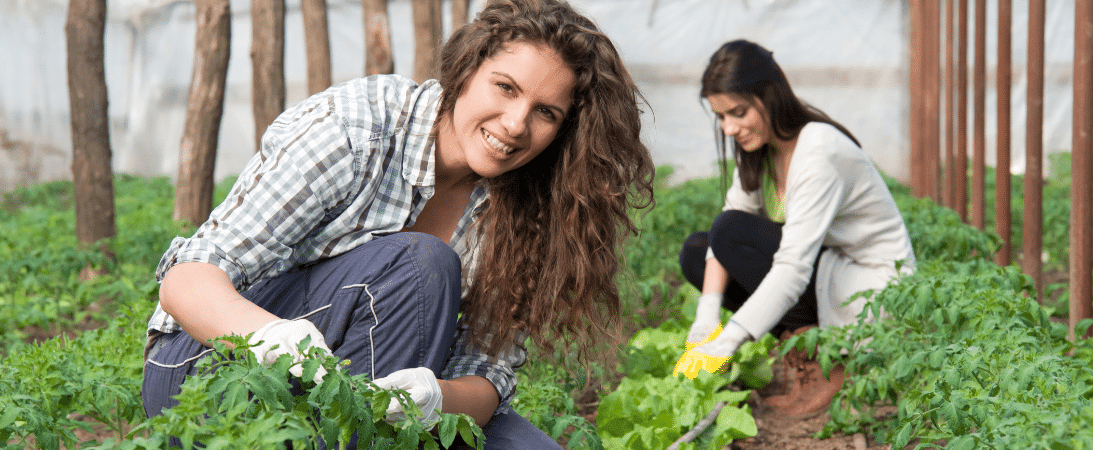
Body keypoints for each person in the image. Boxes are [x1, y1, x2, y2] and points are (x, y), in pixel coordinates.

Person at [141, 0, 654, 447]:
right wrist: (274, 338)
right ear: (467, 70)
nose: (516, 123)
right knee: (419, 264)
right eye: (504, 87)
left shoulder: (530, 207)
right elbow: (188, 279)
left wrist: (436, 399)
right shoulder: (356, 128)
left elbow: (487, 373)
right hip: (209, 370)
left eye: (545, 112)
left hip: (366, 397)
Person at [673, 39, 915, 417]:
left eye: (738, 112)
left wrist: (730, 340)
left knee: (730, 233)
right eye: (721, 117)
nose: (729, 128)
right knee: (697, 252)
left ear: (769, 97)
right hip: (829, 273)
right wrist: (707, 316)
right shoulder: (763, 150)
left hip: (870, 290)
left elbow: (792, 267)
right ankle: (803, 349)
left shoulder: (818, 152)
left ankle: (830, 364)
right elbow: (728, 223)